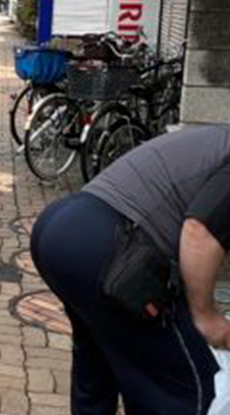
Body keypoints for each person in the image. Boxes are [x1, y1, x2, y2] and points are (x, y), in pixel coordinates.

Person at [31, 126, 230, 414]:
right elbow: (199, 233)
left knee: (98, 367)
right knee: (187, 389)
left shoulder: (218, 140)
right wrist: (206, 316)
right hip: (109, 250)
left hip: (63, 228)